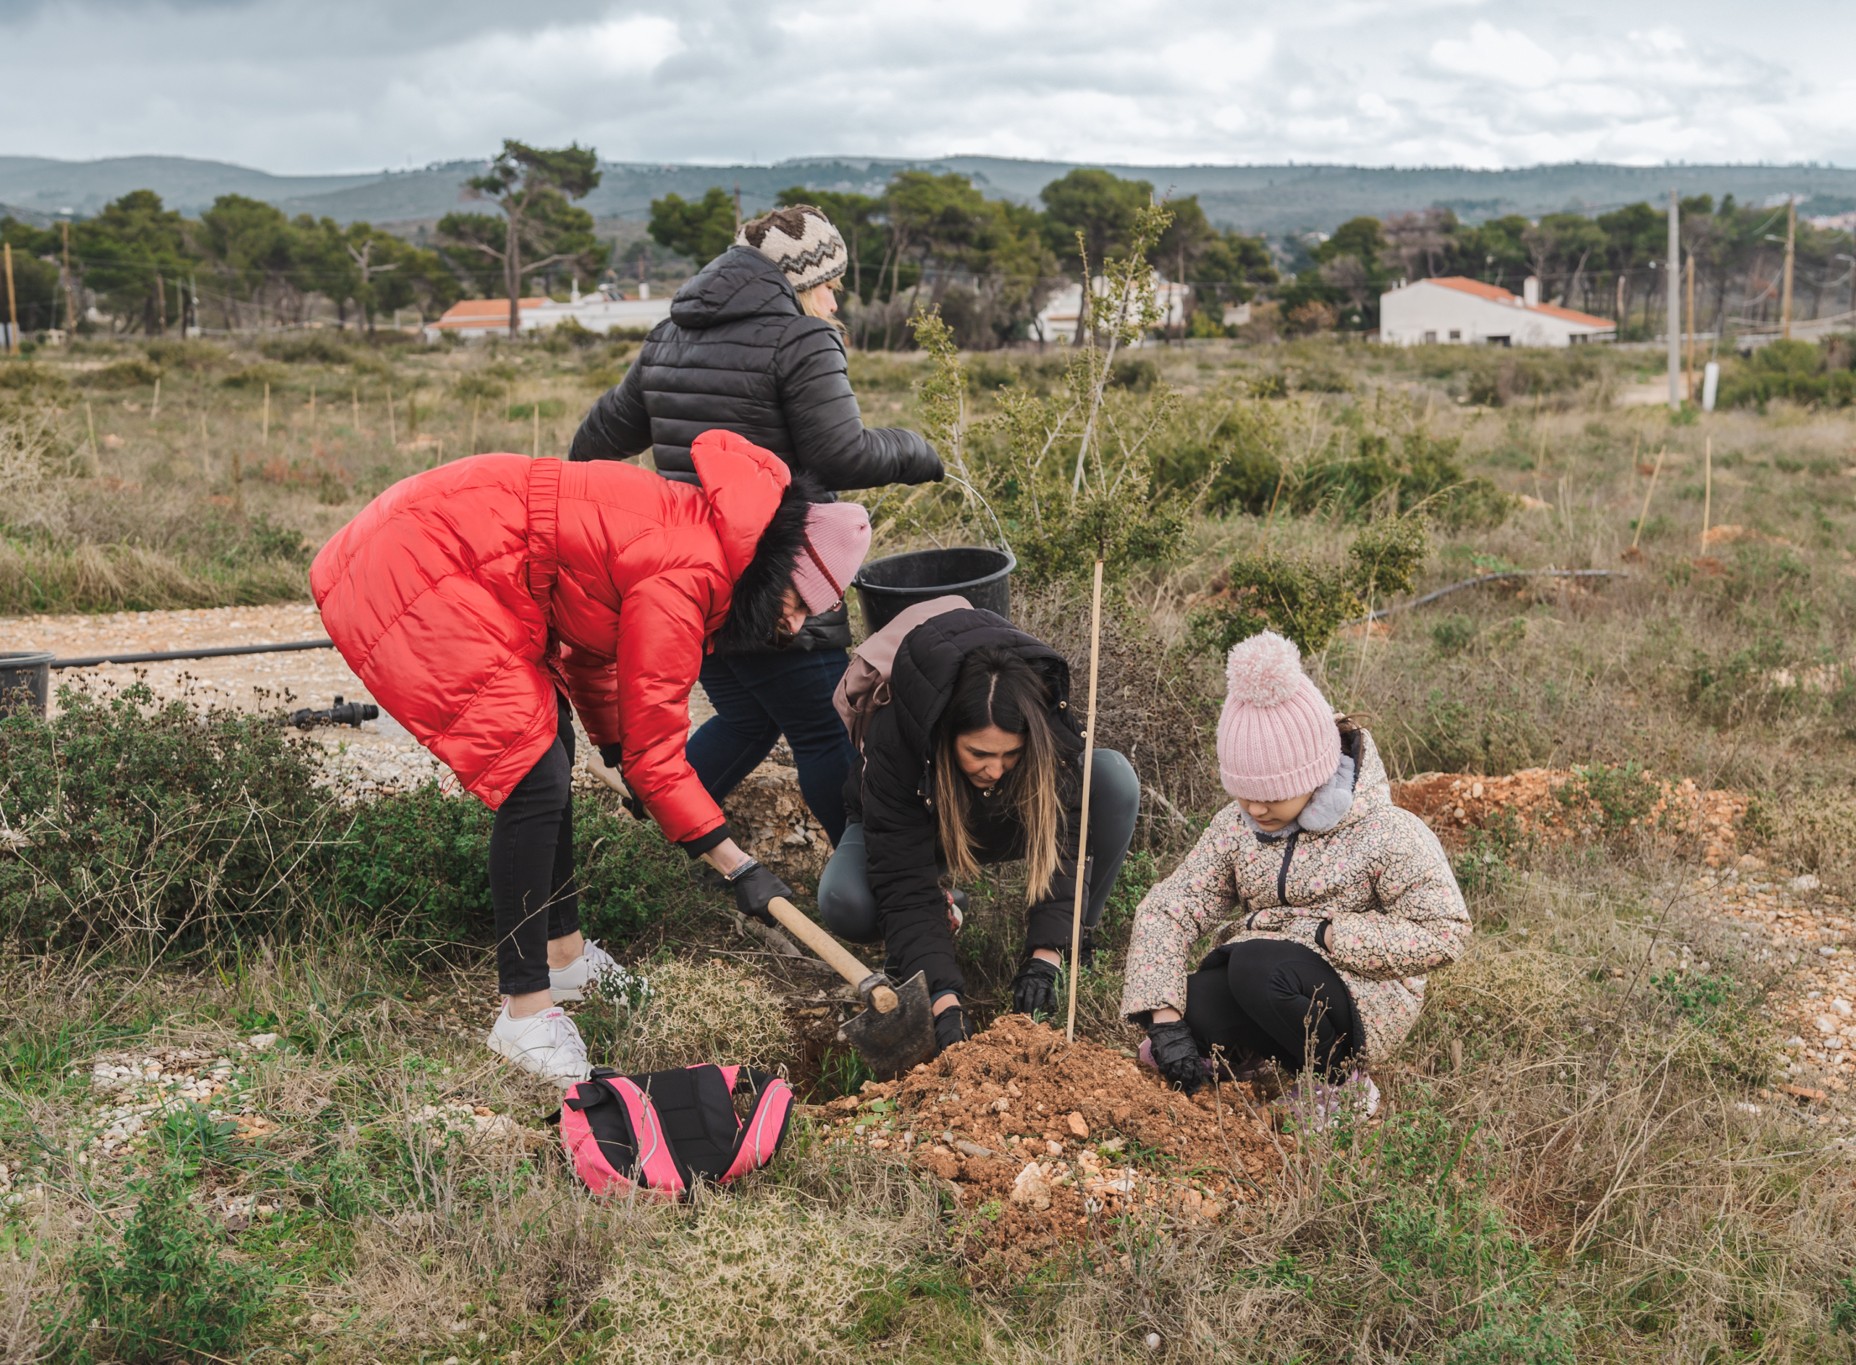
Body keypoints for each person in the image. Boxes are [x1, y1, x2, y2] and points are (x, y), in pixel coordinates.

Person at [310, 429, 874, 1085]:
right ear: (779, 568)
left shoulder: (705, 543)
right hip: (418, 561)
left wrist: (613, 746)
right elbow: (658, 748)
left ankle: (564, 956)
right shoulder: (691, 572)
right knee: (531, 767)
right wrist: (738, 865)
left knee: (553, 745)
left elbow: (596, 650)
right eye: (801, 601)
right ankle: (524, 1012)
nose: (799, 623)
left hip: (450, 546)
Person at [571, 204, 942, 846]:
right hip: (774, 582)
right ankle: (881, 889)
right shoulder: (801, 338)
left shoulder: (669, 335)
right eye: (830, 282)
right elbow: (841, 454)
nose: (835, 297)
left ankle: (645, 841)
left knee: (745, 716)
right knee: (828, 733)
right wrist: (917, 451)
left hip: (688, 579)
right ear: (799, 280)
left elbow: (593, 443)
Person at [1119, 631, 1468, 1121]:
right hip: (1269, 976)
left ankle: (1343, 1085)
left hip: (1362, 993)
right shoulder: (1235, 828)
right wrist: (1165, 1019)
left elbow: (1445, 932)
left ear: (1315, 775)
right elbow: (1168, 909)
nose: (1256, 808)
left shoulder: (1387, 830)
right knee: (1194, 1002)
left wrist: (1332, 934)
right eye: (1243, 793)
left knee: (1256, 967)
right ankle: (1245, 1057)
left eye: (1274, 794)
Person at [817, 607, 1140, 1052]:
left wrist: (1046, 955)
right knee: (846, 900)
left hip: (1005, 821)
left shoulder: (1046, 721)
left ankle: (1074, 941)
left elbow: (1066, 845)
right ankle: (939, 918)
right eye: (979, 753)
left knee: (1111, 778)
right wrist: (944, 1001)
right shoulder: (897, 739)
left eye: (1011, 754)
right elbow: (903, 881)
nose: (995, 769)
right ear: (945, 735)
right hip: (925, 828)